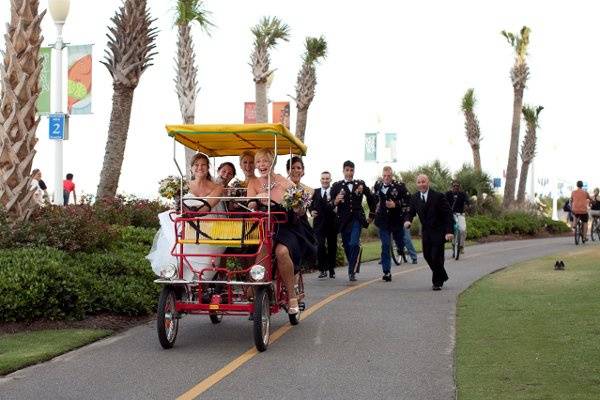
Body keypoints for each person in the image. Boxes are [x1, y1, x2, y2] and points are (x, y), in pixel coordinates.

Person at [247, 149, 317, 315]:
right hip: (264, 226)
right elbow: (250, 206)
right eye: (258, 162)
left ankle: (292, 297)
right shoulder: (254, 183)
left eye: (265, 161)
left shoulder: (285, 182)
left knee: (282, 251)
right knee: (261, 249)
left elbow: (300, 210)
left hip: (286, 226)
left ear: (272, 162)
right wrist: (257, 199)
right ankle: (257, 289)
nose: (261, 165)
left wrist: (299, 206)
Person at [147, 153, 225, 281]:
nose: (200, 168)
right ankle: (177, 279)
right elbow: (178, 204)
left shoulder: (217, 188)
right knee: (175, 241)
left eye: (203, 165)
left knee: (205, 258)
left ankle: (201, 284)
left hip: (206, 224)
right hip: (184, 224)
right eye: (196, 165)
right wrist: (179, 208)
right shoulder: (184, 184)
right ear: (191, 168)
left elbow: (208, 206)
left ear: (208, 167)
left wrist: (190, 213)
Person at [404, 174, 453, 291]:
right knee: (427, 256)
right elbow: (410, 213)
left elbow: (448, 214)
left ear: (428, 182)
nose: (421, 184)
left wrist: (449, 231)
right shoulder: (414, 198)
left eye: (423, 182)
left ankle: (437, 282)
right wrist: (407, 221)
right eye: (419, 182)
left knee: (436, 256)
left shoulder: (438, 196)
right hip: (426, 232)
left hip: (439, 231)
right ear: (417, 184)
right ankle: (443, 275)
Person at [330, 160, 376, 282]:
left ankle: (351, 272)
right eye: (347, 170)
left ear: (354, 171)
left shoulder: (360, 184)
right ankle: (353, 265)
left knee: (354, 243)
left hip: (357, 219)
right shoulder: (336, 186)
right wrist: (335, 201)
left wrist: (371, 214)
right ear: (343, 171)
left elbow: (371, 198)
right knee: (347, 246)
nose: (349, 173)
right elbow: (329, 204)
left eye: (351, 170)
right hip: (343, 220)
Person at [373, 166, 410, 282]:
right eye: (384, 176)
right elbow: (374, 198)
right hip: (383, 221)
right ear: (382, 175)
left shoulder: (400, 186)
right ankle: (387, 272)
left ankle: (401, 249)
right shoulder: (378, 185)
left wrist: (396, 204)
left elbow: (408, 200)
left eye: (388, 176)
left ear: (392, 175)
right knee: (385, 245)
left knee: (400, 241)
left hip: (396, 220)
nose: (386, 178)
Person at [309, 171, 338, 279]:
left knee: (332, 247)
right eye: (323, 178)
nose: (325, 180)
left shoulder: (335, 191)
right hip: (319, 225)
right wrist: (311, 211)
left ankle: (331, 269)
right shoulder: (315, 192)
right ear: (320, 180)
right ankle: (322, 269)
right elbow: (309, 204)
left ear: (330, 180)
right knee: (320, 246)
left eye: (327, 178)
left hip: (332, 224)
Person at [445, 181, 469, 254]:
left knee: (463, 230)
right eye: (454, 186)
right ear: (452, 186)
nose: (456, 187)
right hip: (450, 215)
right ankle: (453, 245)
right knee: (452, 230)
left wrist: (467, 205)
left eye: (457, 186)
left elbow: (467, 202)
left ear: (459, 187)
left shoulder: (463, 194)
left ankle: (461, 246)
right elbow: (443, 201)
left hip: (460, 214)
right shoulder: (448, 194)